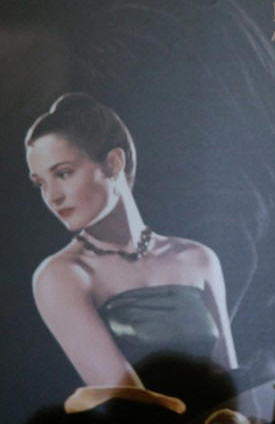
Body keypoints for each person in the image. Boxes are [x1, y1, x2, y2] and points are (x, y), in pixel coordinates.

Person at [25, 92, 239, 421]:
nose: (52, 196)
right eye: (41, 183)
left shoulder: (198, 259)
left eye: (63, 173)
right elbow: (130, 408)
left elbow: (234, 391)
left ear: (113, 163)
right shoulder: (62, 275)